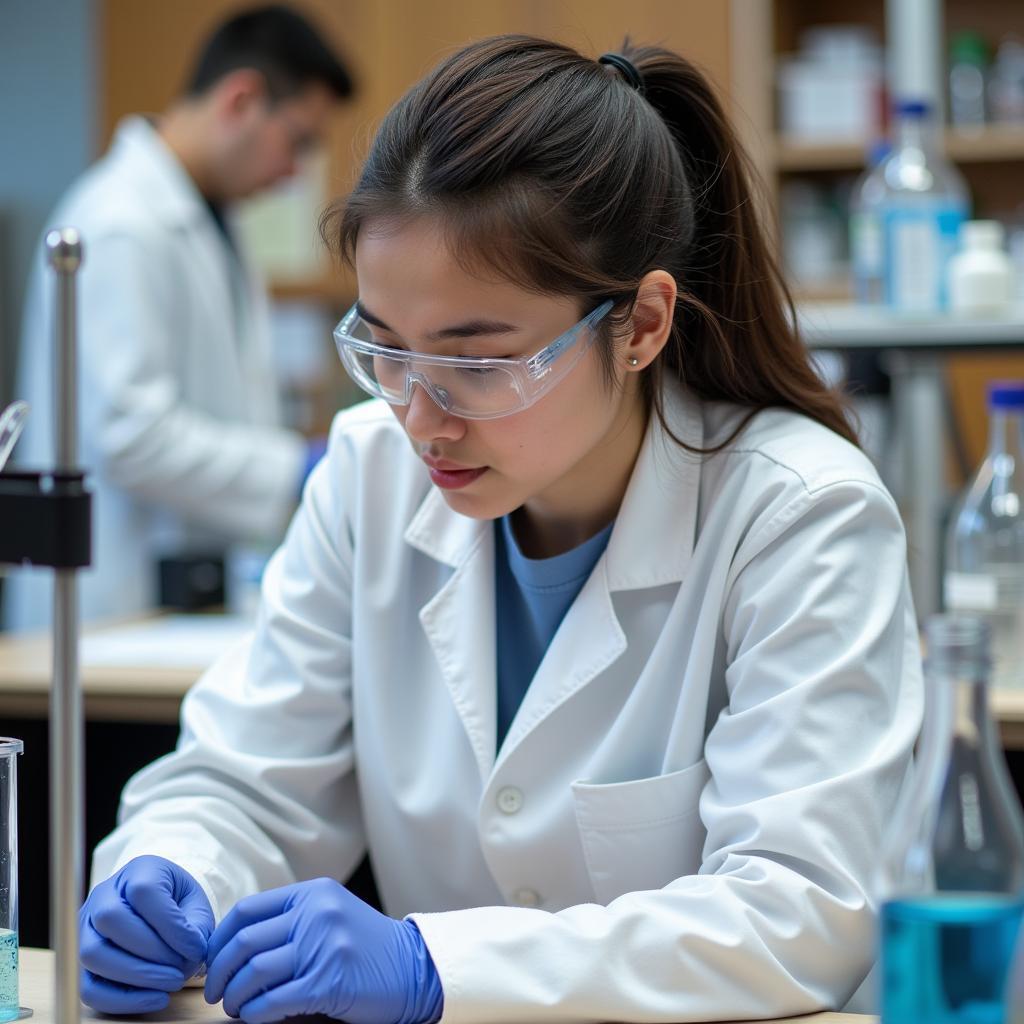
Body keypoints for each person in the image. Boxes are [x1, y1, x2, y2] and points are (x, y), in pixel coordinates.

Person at [80, 35, 923, 1024]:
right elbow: (249, 780)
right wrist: (169, 866)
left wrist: (438, 964)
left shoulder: (798, 511)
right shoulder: (368, 473)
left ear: (642, 323)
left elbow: (797, 908)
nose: (420, 417)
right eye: (384, 351)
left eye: (477, 363)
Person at [4, 5, 353, 630]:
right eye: (297, 140)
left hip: (180, 597)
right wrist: (295, 470)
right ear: (242, 100)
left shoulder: (210, 219)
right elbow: (131, 437)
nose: (294, 171)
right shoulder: (119, 223)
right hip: (110, 603)